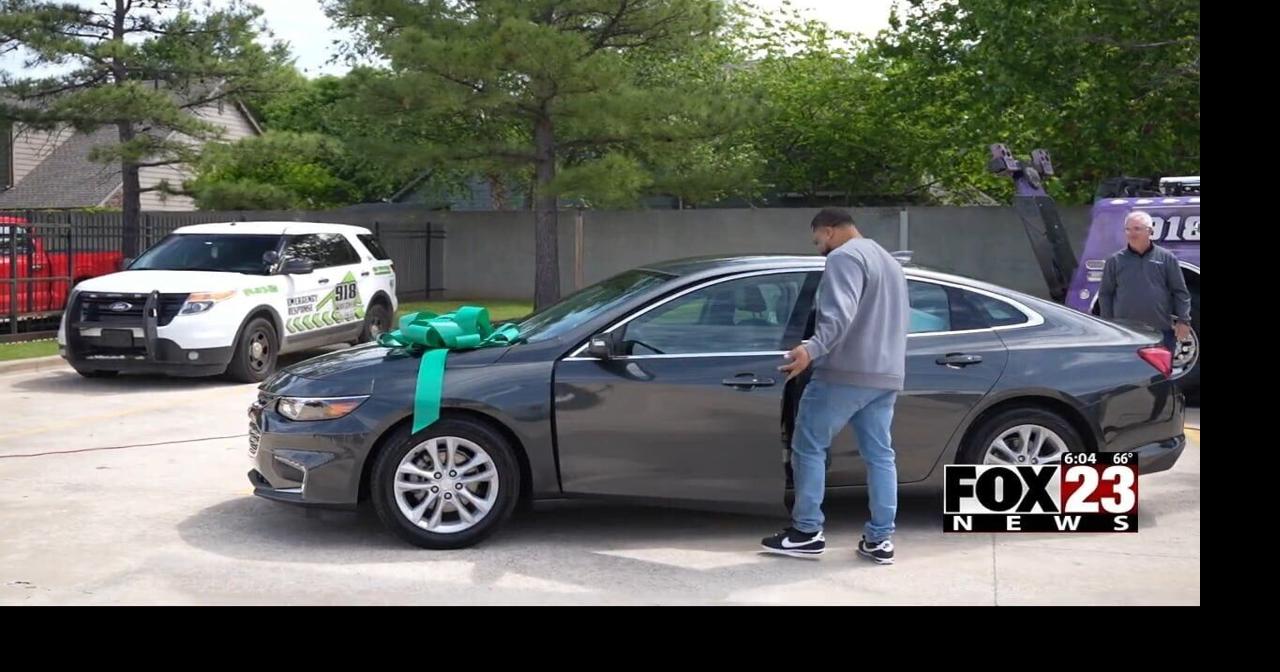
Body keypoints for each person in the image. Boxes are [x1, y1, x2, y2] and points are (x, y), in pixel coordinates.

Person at [760, 208, 910, 565]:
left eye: (818, 241)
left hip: (843, 373)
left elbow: (838, 314)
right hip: (886, 374)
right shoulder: (889, 262)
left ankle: (806, 532)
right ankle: (880, 540)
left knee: (808, 446)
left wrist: (810, 349)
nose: (819, 249)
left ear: (829, 231)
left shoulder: (844, 258)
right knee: (880, 456)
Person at [1099, 210, 1192, 352]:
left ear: (1150, 231)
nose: (1131, 234)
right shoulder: (1115, 260)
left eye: (1137, 229)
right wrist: (1108, 325)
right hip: (1126, 333)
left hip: (1160, 331)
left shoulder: (1166, 258)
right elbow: (1105, 294)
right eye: (1128, 229)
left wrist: (1183, 320)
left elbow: (1180, 292)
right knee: (1128, 374)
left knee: (1159, 374)